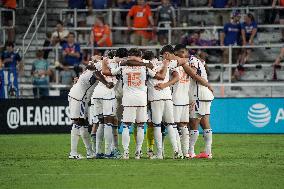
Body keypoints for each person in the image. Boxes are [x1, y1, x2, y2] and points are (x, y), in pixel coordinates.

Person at [101, 48, 152, 159]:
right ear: (140, 55)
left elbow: (107, 72)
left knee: (126, 126)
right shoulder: (146, 64)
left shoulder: (123, 65)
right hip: (142, 98)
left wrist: (104, 63)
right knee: (140, 125)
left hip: (128, 98)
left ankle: (126, 152)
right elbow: (157, 75)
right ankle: (138, 152)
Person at [68, 59, 113, 159]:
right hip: (79, 98)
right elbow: (96, 74)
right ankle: (73, 153)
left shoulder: (88, 70)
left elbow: (92, 69)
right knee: (77, 123)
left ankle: (90, 151)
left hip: (78, 96)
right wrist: (106, 83)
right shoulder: (95, 71)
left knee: (83, 124)